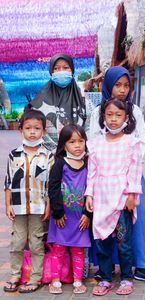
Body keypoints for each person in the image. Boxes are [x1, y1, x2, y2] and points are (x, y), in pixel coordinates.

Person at [88, 66, 145, 285]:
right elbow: (92, 142)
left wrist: (126, 168)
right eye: (117, 85)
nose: (122, 90)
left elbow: (141, 141)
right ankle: (106, 268)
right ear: (108, 86)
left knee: (136, 219)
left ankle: (142, 267)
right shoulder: (98, 112)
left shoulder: (134, 111)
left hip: (130, 177)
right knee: (104, 219)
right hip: (104, 178)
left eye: (126, 85)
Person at [85, 98, 142, 296]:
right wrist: (89, 194)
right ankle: (105, 277)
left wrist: (132, 195)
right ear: (103, 117)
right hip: (101, 198)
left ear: (126, 117)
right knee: (102, 241)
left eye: (118, 115)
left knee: (124, 243)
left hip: (121, 198)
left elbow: (135, 171)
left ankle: (126, 278)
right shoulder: (95, 143)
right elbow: (91, 172)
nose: (114, 119)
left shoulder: (131, 143)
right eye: (109, 115)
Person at [3, 108, 54, 293]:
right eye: (28, 128)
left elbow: (50, 184)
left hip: (39, 207)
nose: (32, 132)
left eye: (37, 128)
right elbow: (8, 181)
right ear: (21, 130)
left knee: (36, 242)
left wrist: (49, 205)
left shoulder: (48, 155)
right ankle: (15, 275)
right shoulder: (14, 154)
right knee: (17, 242)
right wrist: (7, 204)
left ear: (43, 131)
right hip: (18, 206)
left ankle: (35, 278)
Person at [47, 124, 91, 294]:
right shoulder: (60, 164)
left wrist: (88, 214)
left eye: (81, 141)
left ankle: (78, 281)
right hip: (62, 218)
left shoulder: (88, 164)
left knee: (78, 250)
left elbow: (91, 190)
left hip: (80, 219)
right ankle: (55, 280)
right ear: (64, 144)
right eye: (72, 142)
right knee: (58, 249)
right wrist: (57, 212)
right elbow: (53, 188)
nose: (78, 145)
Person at [31, 53, 86, 152]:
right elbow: (36, 127)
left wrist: (79, 149)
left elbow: (90, 127)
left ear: (72, 71)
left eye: (65, 68)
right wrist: (56, 151)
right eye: (56, 68)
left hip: (78, 155)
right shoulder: (40, 100)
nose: (61, 72)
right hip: (49, 156)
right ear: (51, 72)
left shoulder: (83, 99)